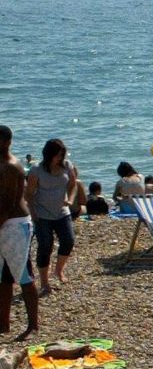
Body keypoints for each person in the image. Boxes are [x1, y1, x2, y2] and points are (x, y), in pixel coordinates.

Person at [26, 138, 78, 294]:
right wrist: (33, 213)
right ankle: (44, 282)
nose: (59, 158)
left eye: (62, 155)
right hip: (42, 214)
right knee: (45, 247)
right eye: (57, 155)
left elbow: (73, 185)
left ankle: (58, 270)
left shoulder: (67, 166)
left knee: (68, 241)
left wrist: (70, 199)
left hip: (62, 213)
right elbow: (29, 194)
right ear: (48, 155)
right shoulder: (36, 170)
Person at [0, 126, 34, 338]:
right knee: (3, 278)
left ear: (6, 142)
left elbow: (10, 204)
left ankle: (33, 325)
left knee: (23, 275)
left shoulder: (12, 167)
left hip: (15, 224)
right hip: (5, 222)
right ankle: (3, 323)